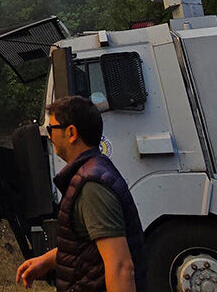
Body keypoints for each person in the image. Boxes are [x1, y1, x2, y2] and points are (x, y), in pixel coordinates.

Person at [15, 96, 145, 292]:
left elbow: (120, 267)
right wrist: (47, 260)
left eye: (51, 129)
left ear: (71, 133)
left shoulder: (91, 186)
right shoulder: (95, 170)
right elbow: (88, 247)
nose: (49, 137)